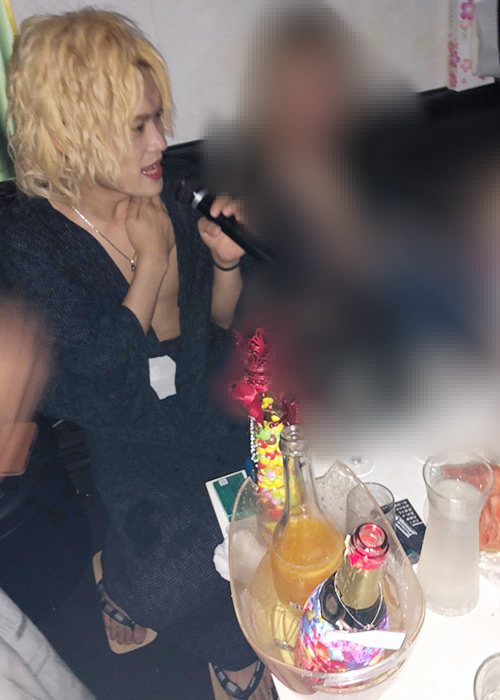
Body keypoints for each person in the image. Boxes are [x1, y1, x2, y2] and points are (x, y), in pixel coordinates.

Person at [0, 10, 273, 699]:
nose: (161, 141)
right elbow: (98, 389)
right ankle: (133, 587)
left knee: (275, 516)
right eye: (137, 127)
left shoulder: (169, 190)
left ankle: (136, 582)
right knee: (184, 570)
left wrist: (225, 263)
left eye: (158, 120)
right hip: (124, 430)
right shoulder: (30, 237)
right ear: (69, 134)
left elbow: (213, 331)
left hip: (200, 400)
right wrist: (149, 266)